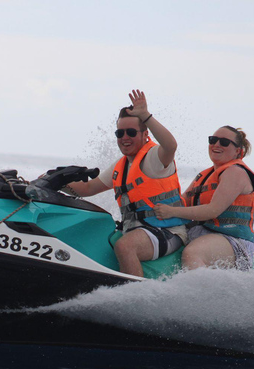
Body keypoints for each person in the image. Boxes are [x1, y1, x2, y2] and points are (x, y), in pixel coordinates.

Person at [67, 89, 187, 277]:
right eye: (120, 133)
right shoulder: (121, 166)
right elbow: (88, 188)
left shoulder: (155, 157)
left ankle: (135, 297)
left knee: (125, 246)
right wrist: (53, 182)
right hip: (138, 230)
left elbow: (171, 145)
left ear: (145, 134)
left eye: (131, 132)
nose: (125, 137)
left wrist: (146, 115)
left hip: (168, 231)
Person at [153, 126, 254, 271]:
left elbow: (212, 211)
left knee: (192, 254)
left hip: (234, 242)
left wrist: (171, 211)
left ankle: (199, 293)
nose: (216, 145)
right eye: (213, 140)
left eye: (224, 142)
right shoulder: (204, 176)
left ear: (238, 151)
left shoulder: (236, 172)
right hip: (203, 233)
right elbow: (180, 203)